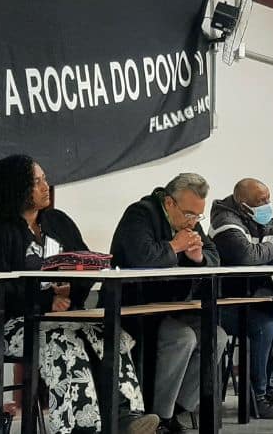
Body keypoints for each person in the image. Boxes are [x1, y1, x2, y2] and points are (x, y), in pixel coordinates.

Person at [0, 155, 157, 434]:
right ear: (17, 188)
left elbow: (86, 262)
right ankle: (82, 428)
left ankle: (124, 416)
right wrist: (46, 300)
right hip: (7, 325)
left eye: (45, 179)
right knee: (63, 342)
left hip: (62, 317)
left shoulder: (58, 222)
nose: (46, 186)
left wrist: (73, 289)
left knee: (109, 334)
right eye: (37, 182)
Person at [110, 173, 226, 434]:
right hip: (137, 310)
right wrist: (174, 246)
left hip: (174, 308)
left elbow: (214, 256)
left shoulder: (188, 221)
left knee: (216, 336)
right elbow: (142, 257)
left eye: (198, 216)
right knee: (182, 338)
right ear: (170, 202)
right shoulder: (140, 214)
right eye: (189, 214)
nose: (193, 222)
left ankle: (178, 408)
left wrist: (198, 258)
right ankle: (159, 417)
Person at [208, 178, 273, 417]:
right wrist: (272, 250)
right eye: (262, 200)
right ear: (243, 204)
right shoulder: (225, 223)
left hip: (259, 301)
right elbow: (245, 257)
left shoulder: (268, 222)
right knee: (266, 327)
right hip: (227, 304)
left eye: (268, 198)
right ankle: (257, 398)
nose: (267, 204)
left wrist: (266, 255)